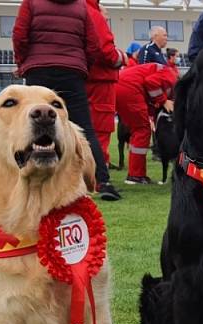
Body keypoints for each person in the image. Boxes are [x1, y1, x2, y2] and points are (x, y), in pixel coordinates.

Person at [12, 0, 122, 201]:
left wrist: (23, 63)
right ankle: (103, 181)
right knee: (85, 129)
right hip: (72, 72)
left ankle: (27, 177)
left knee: (31, 126)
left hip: (38, 70)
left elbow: (20, 36)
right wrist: (81, 66)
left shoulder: (31, 3)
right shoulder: (81, 7)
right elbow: (93, 45)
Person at [84, 0, 128, 196]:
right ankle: (97, 179)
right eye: (106, 13)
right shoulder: (92, 13)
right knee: (101, 130)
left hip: (83, 79)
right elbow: (107, 52)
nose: (107, 16)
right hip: (100, 81)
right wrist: (122, 57)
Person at [115, 63, 177, 184]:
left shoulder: (162, 72)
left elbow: (151, 95)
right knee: (142, 130)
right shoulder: (171, 76)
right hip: (129, 89)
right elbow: (151, 82)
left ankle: (133, 174)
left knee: (137, 131)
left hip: (120, 87)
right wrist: (163, 100)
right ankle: (136, 176)